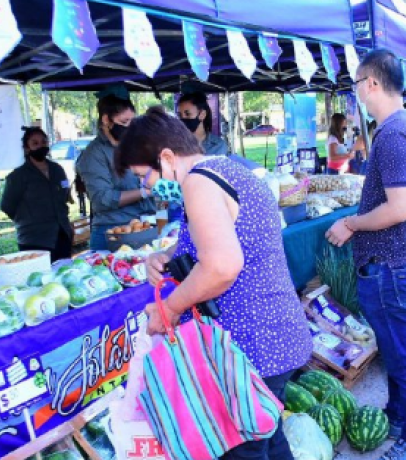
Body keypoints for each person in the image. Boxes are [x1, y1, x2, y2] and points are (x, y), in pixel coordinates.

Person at [116, 106, 311, 459]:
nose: (147, 188)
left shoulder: (198, 181)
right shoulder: (229, 169)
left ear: (166, 157)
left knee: (242, 449)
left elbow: (222, 266)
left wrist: (170, 310)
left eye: (144, 177)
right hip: (277, 337)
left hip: (254, 347)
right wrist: (170, 255)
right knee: (270, 439)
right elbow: (226, 237)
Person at [325, 49, 406, 459]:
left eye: (355, 83)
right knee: (395, 351)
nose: (355, 93)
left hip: (391, 264)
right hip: (392, 262)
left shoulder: (391, 135)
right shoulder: (399, 128)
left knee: (404, 356)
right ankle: (401, 417)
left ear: (371, 83)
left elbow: (398, 209)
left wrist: (351, 223)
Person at [76, 94, 155, 251]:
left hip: (145, 227)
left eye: (132, 122)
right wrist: (145, 192)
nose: (129, 128)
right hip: (113, 234)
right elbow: (102, 199)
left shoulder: (135, 145)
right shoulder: (93, 154)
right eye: (124, 122)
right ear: (106, 120)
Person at [0, 127, 74, 261]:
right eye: (35, 143)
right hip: (34, 239)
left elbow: (64, 195)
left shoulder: (57, 170)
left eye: (44, 142)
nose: (41, 146)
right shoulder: (18, 176)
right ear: (27, 148)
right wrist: (28, 218)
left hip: (62, 235)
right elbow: (7, 206)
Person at [177, 91, 229, 157]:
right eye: (180, 115)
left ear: (202, 114)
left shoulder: (218, 146)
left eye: (188, 114)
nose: (183, 119)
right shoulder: (175, 145)